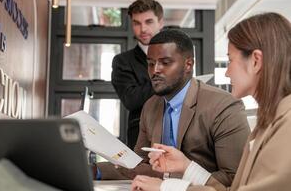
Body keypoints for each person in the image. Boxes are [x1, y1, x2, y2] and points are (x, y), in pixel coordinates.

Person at [132, 12, 291, 191]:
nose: (226, 72)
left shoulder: (286, 123)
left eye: (231, 60)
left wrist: (166, 187)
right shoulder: (269, 122)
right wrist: (186, 166)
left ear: (256, 61)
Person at [98, 29, 250, 189]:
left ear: (188, 65)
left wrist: (167, 185)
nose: (155, 70)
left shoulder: (224, 106)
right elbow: (138, 164)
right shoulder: (150, 106)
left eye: (165, 62)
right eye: (150, 63)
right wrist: (95, 170)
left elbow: (233, 179)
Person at [111, 0, 164, 149]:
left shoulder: (176, 55)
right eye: (137, 23)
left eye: (149, 22)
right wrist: (167, 80)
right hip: (141, 138)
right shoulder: (122, 61)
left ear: (160, 23)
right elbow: (131, 99)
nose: (143, 29)